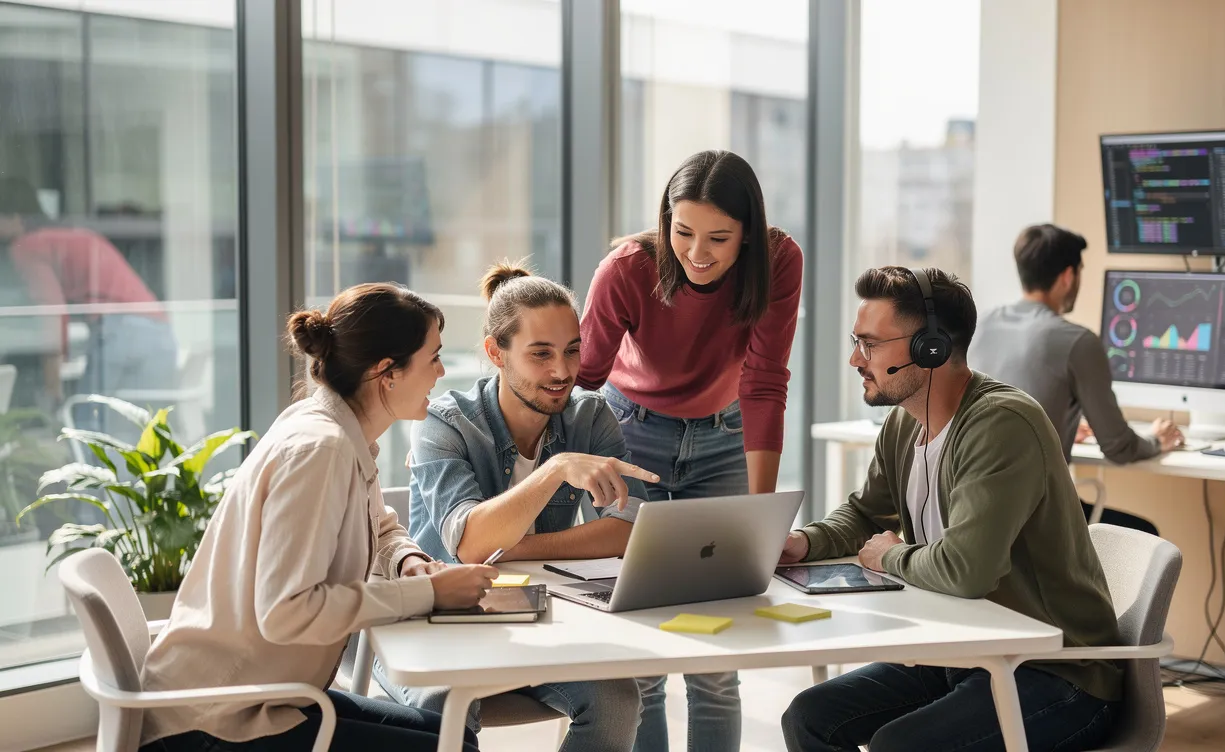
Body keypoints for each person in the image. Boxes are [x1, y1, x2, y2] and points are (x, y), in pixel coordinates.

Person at [139, 283, 498, 752]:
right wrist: (427, 594)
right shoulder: (321, 450)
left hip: (260, 696)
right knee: (455, 747)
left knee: (454, 734)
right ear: (387, 372)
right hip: (213, 720)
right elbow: (286, 612)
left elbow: (379, 524)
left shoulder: (336, 430)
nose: (441, 372)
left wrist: (409, 562)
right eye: (433, 358)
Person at [779, 266, 1122, 752]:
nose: (856, 359)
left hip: (1058, 673)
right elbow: (866, 514)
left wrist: (890, 556)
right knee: (809, 717)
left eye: (871, 345)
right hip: (966, 654)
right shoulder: (904, 424)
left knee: (898, 746)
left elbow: (967, 569)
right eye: (857, 342)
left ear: (931, 349)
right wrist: (805, 541)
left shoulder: (1001, 424)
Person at [578, 149, 804, 752]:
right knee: (643, 656)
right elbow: (582, 379)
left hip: (725, 438)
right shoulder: (626, 269)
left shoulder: (779, 261)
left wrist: (760, 520)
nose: (697, 253)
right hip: (630, 437)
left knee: (717, 657)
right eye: (682, 232)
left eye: (718, 238)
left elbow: (764, 381)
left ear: (747, 234)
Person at [378, 262, 656, 751]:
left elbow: (630, 528)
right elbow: (469, 543)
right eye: (541, 354)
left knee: (617, 698)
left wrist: (514, 547)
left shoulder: (590, 416)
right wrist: (556, 469)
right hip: (431, 624)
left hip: (536, 619)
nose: (562, 371)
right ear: (496, 353)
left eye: (572, 350)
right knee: (442, 704)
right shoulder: (445, 423)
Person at [969, 223, 1181, 533]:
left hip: (973, 509)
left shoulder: (981, 324)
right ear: (1068, 276)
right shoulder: (1078, 342)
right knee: (1145, 536)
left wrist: (1058, 425)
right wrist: (1157, 440)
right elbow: (1118, 447)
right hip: (1035, 521)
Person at [0, 175, 177, 412]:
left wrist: (52, 388)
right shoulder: (73, 234)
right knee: (137, 426)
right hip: (159, 331)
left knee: (87, 420)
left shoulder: (26, 246)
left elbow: (51, 312)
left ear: (14, 217)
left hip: (119, 331)